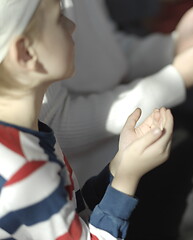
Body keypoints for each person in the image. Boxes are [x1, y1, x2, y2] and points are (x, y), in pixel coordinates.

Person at [0, 0, 174, 239]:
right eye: (58, 19)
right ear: (26, 53)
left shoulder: (27, 136)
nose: (72, 26)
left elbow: (73, 212)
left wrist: (121, 163)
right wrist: (128, 177)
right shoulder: (26, 169)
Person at [40, 0, 193, 185]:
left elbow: (108, 53)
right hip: (98, 182)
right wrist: (178, 78)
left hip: (138, 138)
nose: (71, 26)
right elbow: (56, 126)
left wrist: (174, 46)